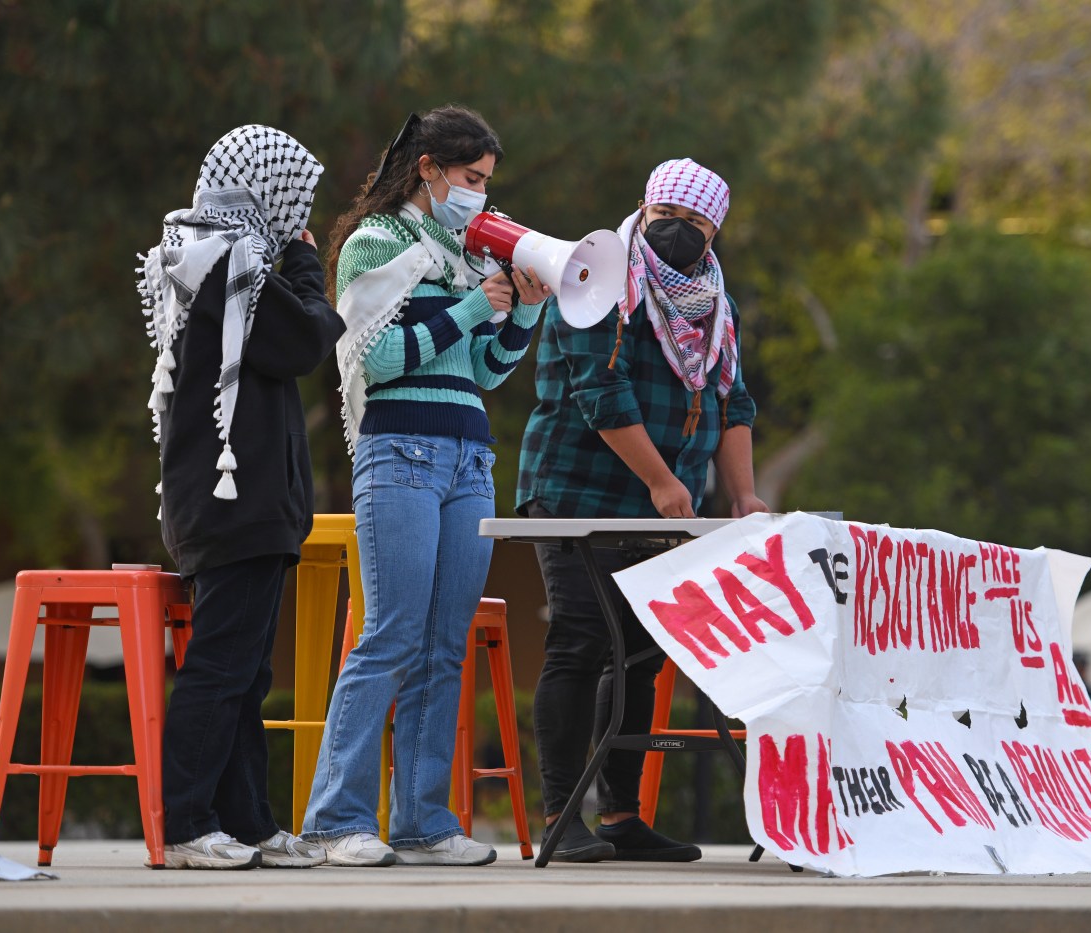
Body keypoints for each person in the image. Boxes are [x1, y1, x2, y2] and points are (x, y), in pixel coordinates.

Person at [301, 105, 549, 867]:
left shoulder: (465, 253)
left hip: (470, 456)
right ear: (429, 170)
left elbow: (477, 374)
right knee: (393, 634)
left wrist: (521, 318)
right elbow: (373, 359)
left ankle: (422, 821)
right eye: (470, 179)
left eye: (485, 182)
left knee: (445, 645)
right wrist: (477, 306)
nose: (479, 194)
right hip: (399, 453)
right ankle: (335, 818)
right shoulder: (377, 243)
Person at [516, 158, 768, 862]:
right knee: (581, 638)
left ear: (715, 232)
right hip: (579, 492)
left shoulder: (716, 300)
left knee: (643, 655)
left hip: (669, 502)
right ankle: (563, 818)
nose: (680, 235)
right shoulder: (598, 276)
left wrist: (743, 493)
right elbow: (603, 389)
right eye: (669, 219)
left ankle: (622, 814)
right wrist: (660, 479)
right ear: (642, 210)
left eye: (697, 225)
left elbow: (732, 398)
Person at [141, 124, 346, 869]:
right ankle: (188, 821)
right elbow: (303, 340)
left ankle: (247, 820)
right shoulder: (233, 257)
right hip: (235, 503)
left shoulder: (208, 251)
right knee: (224, 667)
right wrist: (303, 256)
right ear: (264, 190)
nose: (301, 213)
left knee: (246, 671)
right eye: (294, 197)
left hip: (234, 500)